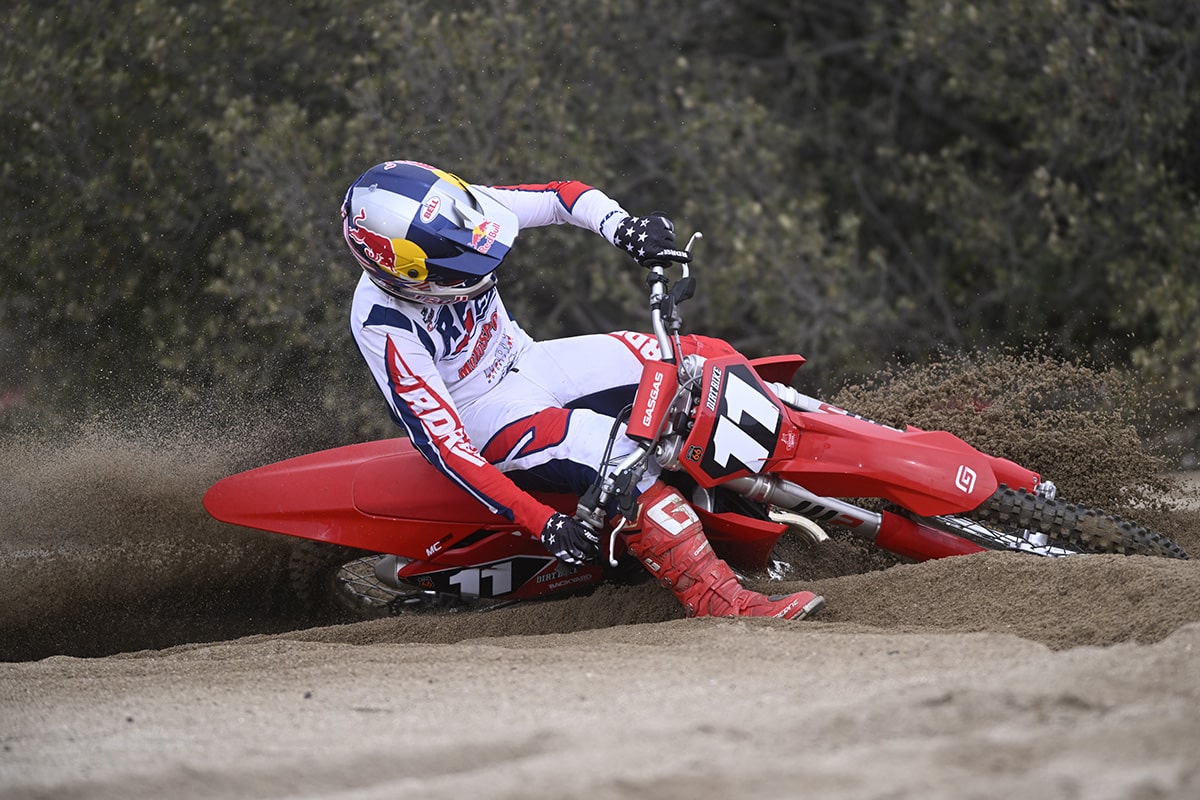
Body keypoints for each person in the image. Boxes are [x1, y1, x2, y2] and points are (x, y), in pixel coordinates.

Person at [342, 160, 824, 620]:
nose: (475, 270)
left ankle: (818, 461)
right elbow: (447, 447)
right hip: (483, 413)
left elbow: (561, 196)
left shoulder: (462, 208)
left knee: (700, 359)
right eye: (453, 267)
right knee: (618, 459)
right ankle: (719, 601)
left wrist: (625, 229)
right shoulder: (383, 323)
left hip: (527, 358)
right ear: (401, 276)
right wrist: (543, 522)